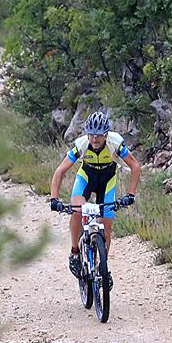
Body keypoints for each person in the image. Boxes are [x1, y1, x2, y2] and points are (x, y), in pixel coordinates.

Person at [48, 111, 141, 287]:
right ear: (87, 133)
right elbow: (60, 171)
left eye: (99, 136)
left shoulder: (115, 143)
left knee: (106, 230)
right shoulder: (81, 144)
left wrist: (130, 194)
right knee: (76, 211)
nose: (95, 139)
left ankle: (102, 268)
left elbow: (135, 166)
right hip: (86, 179)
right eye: (91, 135)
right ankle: (75, 252)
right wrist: (54, 198)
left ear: (106, 134)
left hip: (107, 182)